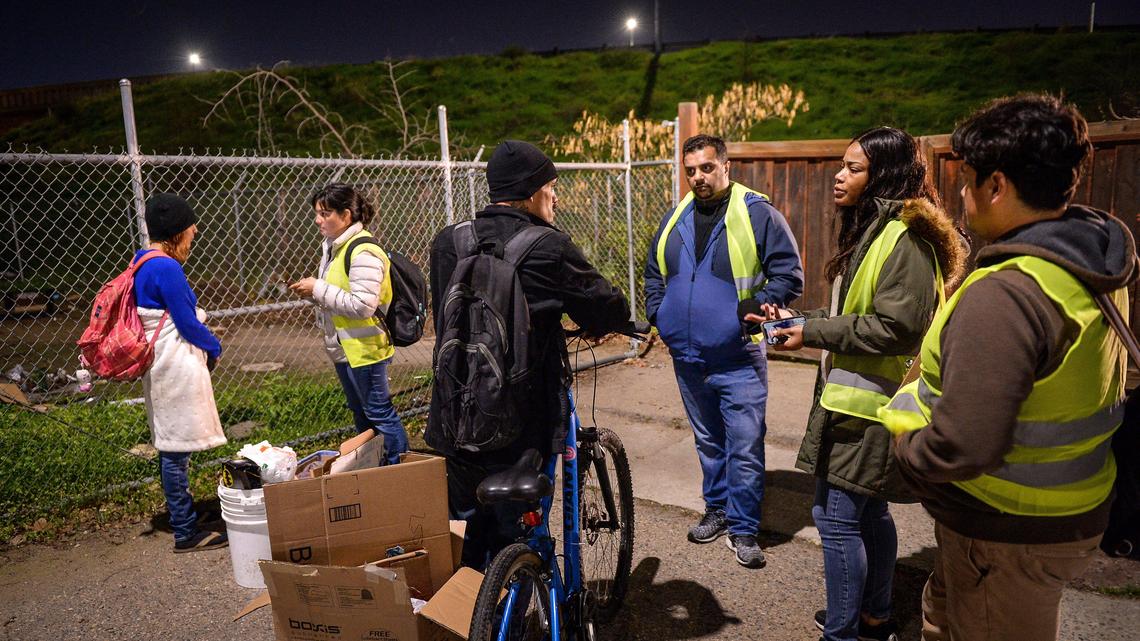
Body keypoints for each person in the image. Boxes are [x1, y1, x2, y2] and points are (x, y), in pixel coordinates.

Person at [879, 94, 1137, 641]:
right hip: (1064, 514)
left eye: (969, 180)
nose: (963, 194)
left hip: (1007, 530)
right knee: (944, 615)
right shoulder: (1085, 260)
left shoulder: (1007, 294)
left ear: (997, 186)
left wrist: (905, 448)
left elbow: (964, 444)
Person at [760, 127, 966, 641]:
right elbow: (853, 315)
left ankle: (844, 632)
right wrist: (798, 320)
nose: (838, 174)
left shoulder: (905, 239)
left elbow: (896, 327)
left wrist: (810, 330)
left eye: (854, 168)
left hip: (871, 409)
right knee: (870, 513)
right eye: (842, 164)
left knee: (835, 519)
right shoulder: (876, 231)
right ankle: (874, 617)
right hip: (857, 403)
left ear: (886, 175)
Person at [427, 140, 632, 570]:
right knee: (518, 533)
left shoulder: (448, 242)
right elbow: (601, 302)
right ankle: (522, 603)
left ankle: (473, 616)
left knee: (465, 539)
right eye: (550, 186)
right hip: (522, 424)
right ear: (533, 191)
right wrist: (615, 320)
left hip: (451, 418)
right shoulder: (549, 246)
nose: (555, 196)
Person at [643, 133, 804, 568]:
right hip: (688, 357)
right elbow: (653, 271)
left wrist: (751, 307)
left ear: (726, 167)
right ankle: (716, 509)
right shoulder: (674, 217)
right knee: (709, 442)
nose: (698, 177)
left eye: (707, 168)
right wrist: (658, 313)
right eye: (690, 170)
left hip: (739, 357)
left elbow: (789, 274)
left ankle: (744, 528)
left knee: (746, 446)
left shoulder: (756, 214)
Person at [133, 193, 228, 553]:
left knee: (172, 447)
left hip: (159, 365)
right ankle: (186, 532)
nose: (195, 231)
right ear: (176, 232)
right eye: (190, 228)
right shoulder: (167, 268)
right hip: (172, 366)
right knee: (174, 450)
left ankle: (183, 513)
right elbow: (187, 323)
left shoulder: (143, 261)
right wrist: (215, 348)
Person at [289, 183, 407, 465]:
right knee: (362, 415)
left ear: (346, 215)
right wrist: (313, 292)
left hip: (366, 349)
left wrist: (317, 289)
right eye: (317, 213)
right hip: (346, 349)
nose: (318, 220)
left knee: (379, 413)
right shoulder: (334, 248)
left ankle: (400, 470)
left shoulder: (363, 251)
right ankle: (375, 467)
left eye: (325, 213)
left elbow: (363, 305)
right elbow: (338, 297)